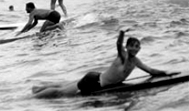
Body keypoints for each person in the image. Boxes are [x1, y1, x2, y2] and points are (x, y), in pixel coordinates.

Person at [32, 29, 170, 98]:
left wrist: (165, 73)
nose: (135, 48)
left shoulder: (136, 61)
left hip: (96, 77)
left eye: (138, 46)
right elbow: (118, 44)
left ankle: (37, 88)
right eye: (133, 46)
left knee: (63, 85)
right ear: (127, 47)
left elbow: (150, 70)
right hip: (94, 82)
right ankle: (34, 98)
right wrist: (122, 32)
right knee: (61, 92)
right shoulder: (124, 56)